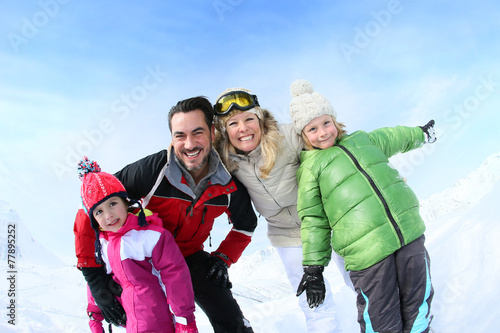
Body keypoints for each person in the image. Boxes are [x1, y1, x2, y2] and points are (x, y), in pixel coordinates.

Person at [74, 96, 257, 333]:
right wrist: (96, 281)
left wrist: (223, 258)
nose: (189, 144)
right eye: (180, 135)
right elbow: (90, 207)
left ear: (212, 132)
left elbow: (246, 225)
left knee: (233, 323)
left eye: (197, 132)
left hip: (190, 257)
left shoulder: (227, 184)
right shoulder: (151, 171)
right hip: (143, 259)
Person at [289, 79, 435, 333]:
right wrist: (313, 268)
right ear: (303, 136)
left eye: (326, 122)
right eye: (312, 129)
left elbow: (395, 136)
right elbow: (314, 220)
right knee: (381, 316)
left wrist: (420, 134)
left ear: (335, 121)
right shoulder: (311, 169)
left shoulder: (363, 140)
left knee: (418, 302)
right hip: (368, 255)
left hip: (408, 233)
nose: (323, 132)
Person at [213, 87, 353, 333]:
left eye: (248, 119)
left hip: (327, 218)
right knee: (314, 304)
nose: (243, 128)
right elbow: (190, 158)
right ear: (225, 131)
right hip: (286, 233)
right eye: (233, 123)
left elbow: (333, 146)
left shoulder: (287, 135)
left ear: (260, 118)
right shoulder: (225, 160)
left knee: (360, 280)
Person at [77, 157, 198, 333]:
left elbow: (175, 277)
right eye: (99, 211)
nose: (109, 215)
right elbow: (97, 283)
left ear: (126, 202)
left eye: (113, 204)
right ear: (93, 219)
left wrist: (184, 321)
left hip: (160, 322)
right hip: (130, 324)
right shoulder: (103, 245)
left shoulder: (151, 237)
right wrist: (95, 318)